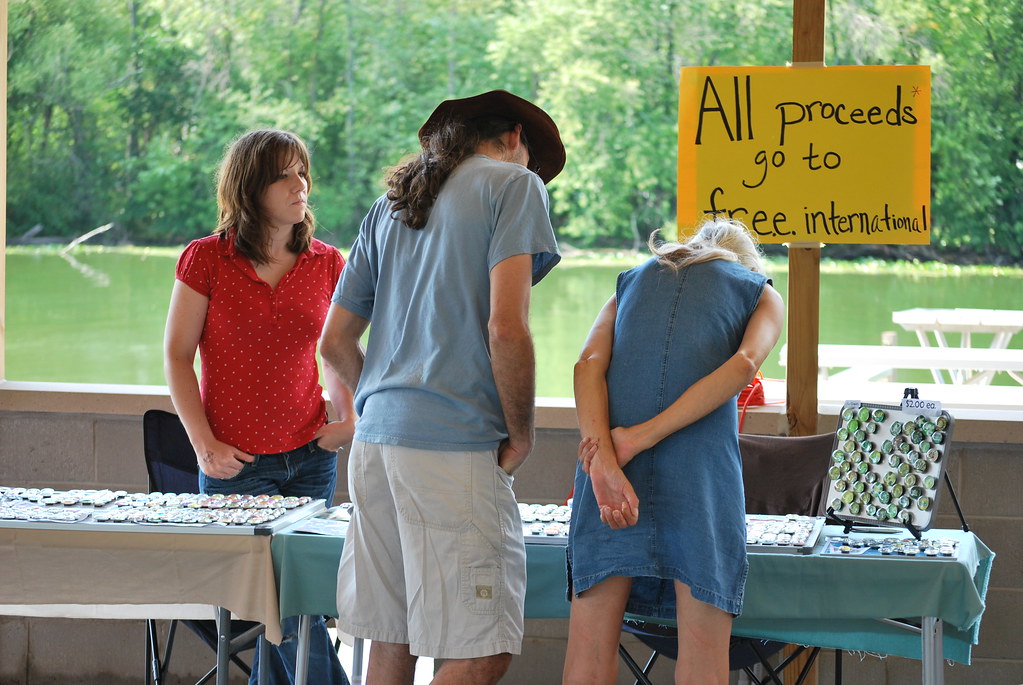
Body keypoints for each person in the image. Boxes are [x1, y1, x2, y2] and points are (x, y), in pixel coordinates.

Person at [319, 90, 565, 685]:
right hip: (452, 450)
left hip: (374, 450)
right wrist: (522, 433)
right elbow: (506, 329)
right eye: (530, 154)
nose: (532, 170)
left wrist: (384, 398)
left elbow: (334, 343)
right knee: (485, 647)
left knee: (390, 637)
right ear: (512, 137)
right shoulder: (513, 185)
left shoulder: (390, 206)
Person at [163, 128, 353, 685]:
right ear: (251, 188)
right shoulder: (206, 259)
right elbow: (177, 357)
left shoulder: (326, 263)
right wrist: (203, 446)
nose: (301, 186)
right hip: (234, 465)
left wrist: (348, 423)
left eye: (303, 172)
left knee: (294, 610)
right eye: (284, 175)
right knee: (286, 611)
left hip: (311, 455)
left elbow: (340, 354)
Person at [563, 218, 785, 685]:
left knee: (590, 646)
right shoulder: (759, 292)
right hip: (698, 473)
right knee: (703, 653)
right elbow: (745, 365)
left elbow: (587, 365)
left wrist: (602, 457)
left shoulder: (628, 284)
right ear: (746, 261)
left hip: (607, 466)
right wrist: (638, 438)